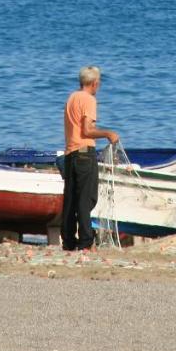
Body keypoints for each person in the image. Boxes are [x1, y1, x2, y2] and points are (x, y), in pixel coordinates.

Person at [60, 65, 119, 251]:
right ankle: (86, 241)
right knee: (87, 199)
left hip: (70, 154)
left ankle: (69, 240)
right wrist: (108, 133)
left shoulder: (72, 97)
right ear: (95, 83)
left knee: (71, 200)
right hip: (85, 154)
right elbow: (87, 130)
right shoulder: (89, 100)